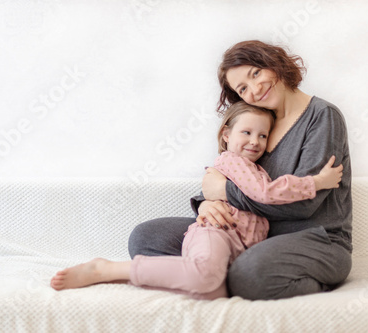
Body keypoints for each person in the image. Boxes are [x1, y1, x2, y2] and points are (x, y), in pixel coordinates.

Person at [128, 40, 353, 301]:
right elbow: (234, 172)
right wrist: (206, 204)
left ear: (274, 63)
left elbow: (303, 206)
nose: (255, 89)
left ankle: (220, 277)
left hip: (316, 240)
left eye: (256, 73)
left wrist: (223, 191)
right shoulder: (259, 121)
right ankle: (214, 273)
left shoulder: (322, 116)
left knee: (248, 275)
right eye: (243, 88)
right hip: (251, 233)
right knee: (146, 238)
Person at [50, 101, 343, 300]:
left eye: (262, 135)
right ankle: (107, 270)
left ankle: (186, 271)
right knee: (203, 276)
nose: (255, 141)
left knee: (211, 291)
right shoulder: (233, 162)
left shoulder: (256, 165)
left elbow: (237, 194)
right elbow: (266, 194)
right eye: (247, 132)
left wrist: (213, 197)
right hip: (217, 232)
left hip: (239, 245)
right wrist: (316, 182)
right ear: (226, 135)